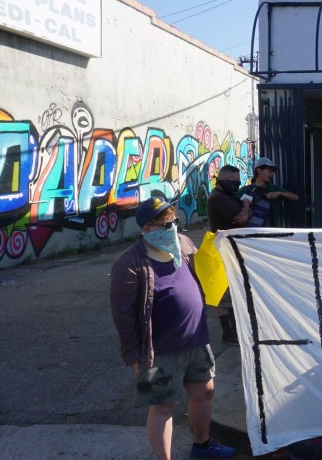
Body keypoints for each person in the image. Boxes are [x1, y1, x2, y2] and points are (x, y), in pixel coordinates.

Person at [110, 197, 236, 460]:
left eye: (173, 221)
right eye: (164, 224)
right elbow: (123, 316)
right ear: (146, 229)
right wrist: (133, 356)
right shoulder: (129, 263)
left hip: (197, 340)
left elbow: (204, 271)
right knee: (161, 408)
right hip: (158, 352)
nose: (172, 228)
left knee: (205, 393)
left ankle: (202, 446)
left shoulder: (184, 244)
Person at [206, 165, 251, 346]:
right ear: (221, 180)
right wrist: (246, 205)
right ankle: (229, 334)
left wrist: (244, 210)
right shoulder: (218, 198)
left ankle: (233, 332)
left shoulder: (227, 195)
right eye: (231, 182)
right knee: (224, 297)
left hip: (229, 249)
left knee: (231, 294)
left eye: (237, 182)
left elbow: (245, 216)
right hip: (223, 251)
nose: (235, 186)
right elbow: (243, 218)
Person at [239, 157, 299, 228]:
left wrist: (279, 193)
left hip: (272, 233)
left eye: (273, 171)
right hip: (249, 233)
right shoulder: (246, 190)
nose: (272, 174)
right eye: (269, 170)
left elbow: (296, 197)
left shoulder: (274, 188)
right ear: (259, 171)